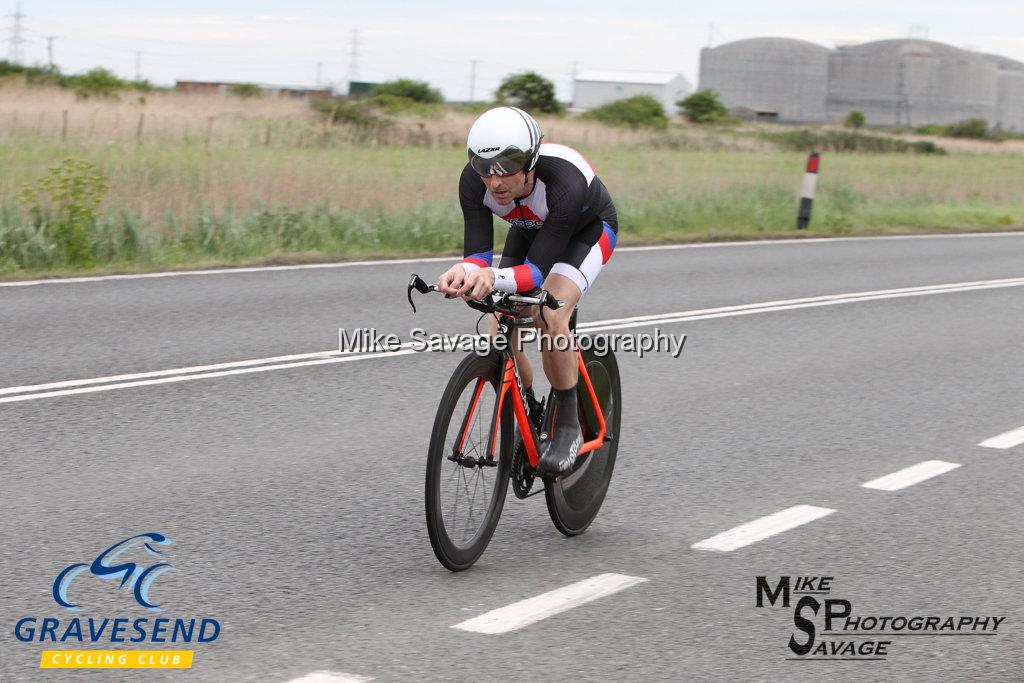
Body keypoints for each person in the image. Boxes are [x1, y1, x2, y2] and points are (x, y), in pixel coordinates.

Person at [436, 106, 619, 476]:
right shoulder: (474, 182)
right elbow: (478, 256)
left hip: (585, 232)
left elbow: (536, 271)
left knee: (548, 312)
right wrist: (464, 272)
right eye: (484, 168)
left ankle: (567, 423)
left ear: (532, 160)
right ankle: (528, 404)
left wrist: (490, 276)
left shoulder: (565, 181)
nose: (495, 181)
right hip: (531, 228)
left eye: (507, 167)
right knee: (497, 315)